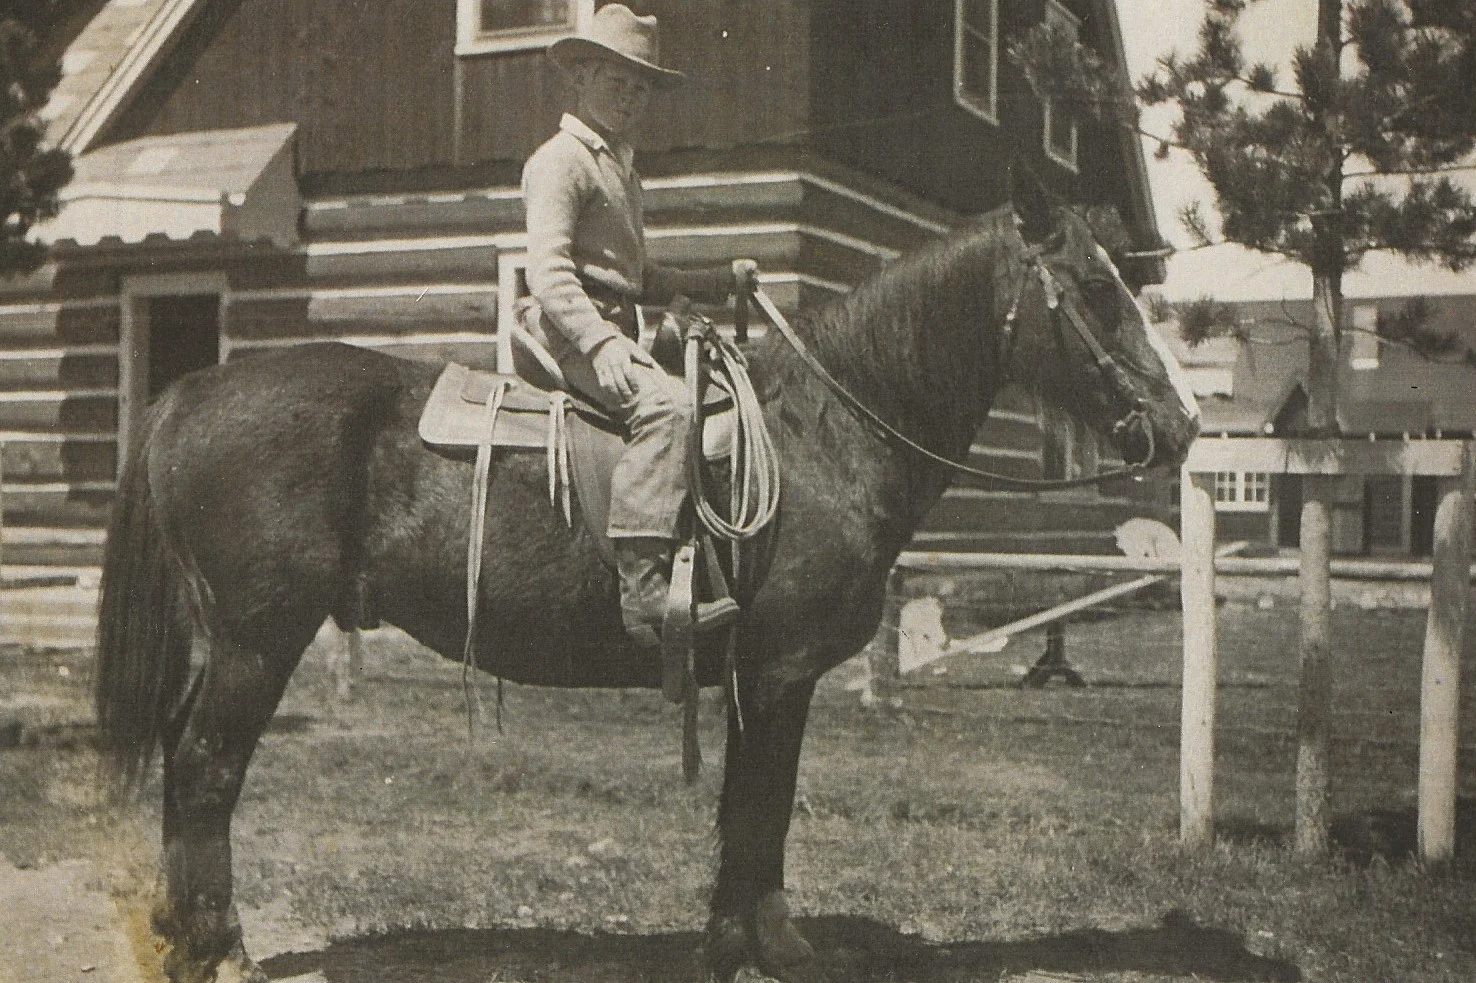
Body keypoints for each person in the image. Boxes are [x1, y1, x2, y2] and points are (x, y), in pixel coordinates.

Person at [522, 4, 746, 665]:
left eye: (641, 86)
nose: (631, 97)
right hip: (572, 329)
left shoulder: (618, 166)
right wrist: (599, 342)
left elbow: (634, 275)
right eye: (618, 81)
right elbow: (549, 272)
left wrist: (718, 283)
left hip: (610, 322)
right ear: (581, 77)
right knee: (670, 407)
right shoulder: (561, 160)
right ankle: (644, 587)